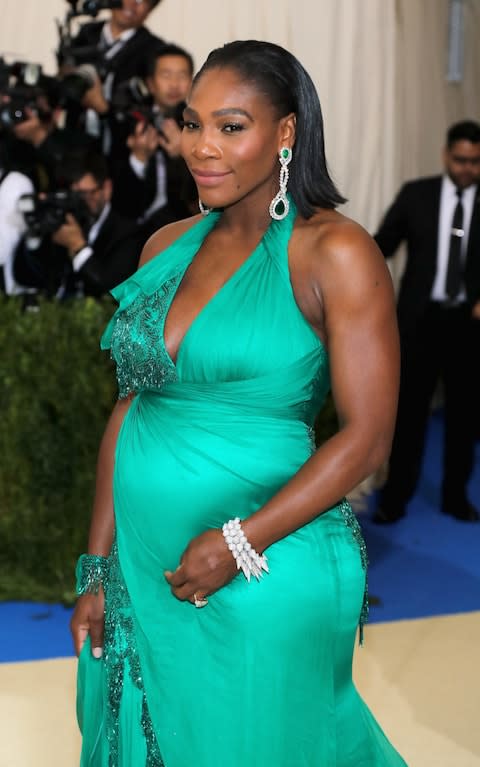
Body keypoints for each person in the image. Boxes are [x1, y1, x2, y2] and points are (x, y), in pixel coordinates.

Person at [71, 40, 407, 766]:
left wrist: (239, 541)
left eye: (230, 126)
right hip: (145, 567)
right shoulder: (164, 244)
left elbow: (369, 439)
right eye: (191, 124)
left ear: (285, 133)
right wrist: (98, 567)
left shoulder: (335, 252)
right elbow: (131, 409)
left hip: (269, 563)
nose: (202, 147)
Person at [373, 120, 480, 524]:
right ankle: (395, 498)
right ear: (446, 155)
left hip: (468, 328)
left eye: (475, 162)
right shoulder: (418, 195)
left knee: (464, 417)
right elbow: (384, 242)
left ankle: (456, 497)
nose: (467, 168)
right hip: (418, 323)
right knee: (409, 415)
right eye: (461, 160)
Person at [14, 152, 141, 297]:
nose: (80, 202)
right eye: (73, 195)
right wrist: (36, 234)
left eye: (85, 194)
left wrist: (78, 247)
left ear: (106, 188)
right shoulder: (60, 224)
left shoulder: (128, 234)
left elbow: (112, 292)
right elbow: (25, 277)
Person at [111, 43, 197, 234]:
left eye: (182, 76)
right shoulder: (129, 122)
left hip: (184, 228)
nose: (174, 84)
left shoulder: (200, 126)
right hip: (134, 230)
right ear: (150, 83)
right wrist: (138, 158)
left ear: (191, 83)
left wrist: (183, 155)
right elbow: (119, 198)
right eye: (166, 75)